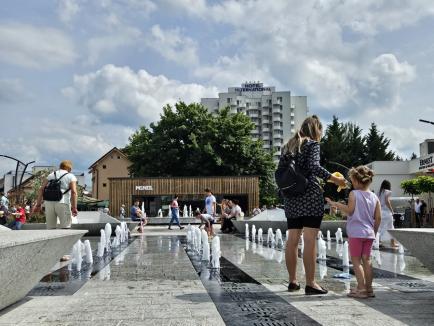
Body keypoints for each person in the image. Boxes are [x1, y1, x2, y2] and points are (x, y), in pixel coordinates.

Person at [283, 115, 346, 295]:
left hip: (291, 196)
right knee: (310, 239)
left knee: (292, 239)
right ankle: (311, 283)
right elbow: (314, 167)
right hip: (309, 195)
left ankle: (293, 282)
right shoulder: (312, 144)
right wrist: (336, 180)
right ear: (316, 129)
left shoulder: (289, 146)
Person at [326, 166, 381, 298]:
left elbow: (350, 210)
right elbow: (378, 218)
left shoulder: (354, 194)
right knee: (367, 261)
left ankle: (361, 289)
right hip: (369, 233)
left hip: (356, 233)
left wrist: (335, 204)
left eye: (351, 180)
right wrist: (374, 232)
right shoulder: (374, 196)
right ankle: (369, 289)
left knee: (356, 261)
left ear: (356, 181)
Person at [33, 160, 78, 229]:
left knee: (51, 228)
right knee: (65, 228)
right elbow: (74, 192)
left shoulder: (51, 175)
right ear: (69, 168)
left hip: (48, 203)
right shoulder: (70, 176)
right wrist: (74, 207)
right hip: (63, 203)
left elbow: (41, 189)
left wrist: (38, 205)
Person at [377, 180, 398, 248]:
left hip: (380, 211)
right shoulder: (387, 192)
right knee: (391, 227)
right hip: (387, 213)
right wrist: (392, 210)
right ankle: (392, 243)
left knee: (380, 227)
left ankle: (378, 242)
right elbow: (387, 201)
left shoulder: (379, 192)